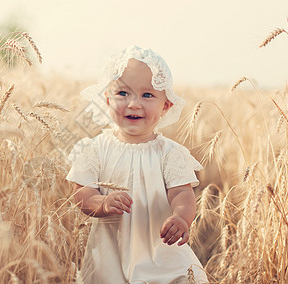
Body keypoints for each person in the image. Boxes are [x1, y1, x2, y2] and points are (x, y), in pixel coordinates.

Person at [66, 45, 208, 284]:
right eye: (123, 93)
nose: (133, 104)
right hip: (111, 252)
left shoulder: (169, 153)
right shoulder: (95, 149)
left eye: (147, 95)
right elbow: (82, 192)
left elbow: (181, 193)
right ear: (106, 99)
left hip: (162, 250)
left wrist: (181, 218)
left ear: (166, 106)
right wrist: (101, 202)